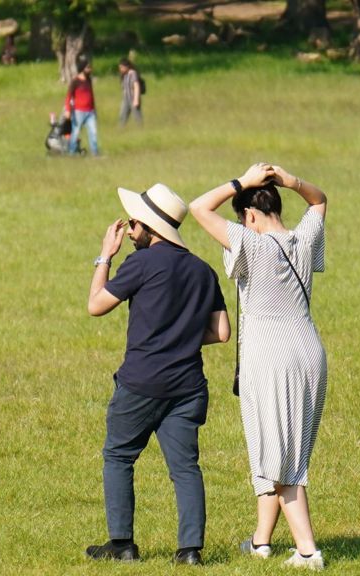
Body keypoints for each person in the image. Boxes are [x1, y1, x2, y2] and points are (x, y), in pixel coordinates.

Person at [188, 163, 328, 571]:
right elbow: (319, 200)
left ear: (248, 215)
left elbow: (198, 207)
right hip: (309, 352)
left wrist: (240, 183)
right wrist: (291, 181)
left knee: (282, 460)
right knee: (279, 452)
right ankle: (260, 543)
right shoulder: (302, 238)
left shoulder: (251, 243)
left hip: (270, 358)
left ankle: (307, 551)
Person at [85, 184, 230, 566]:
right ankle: (190, 551)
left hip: (141, 383)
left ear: (151, 228)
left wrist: (105, 256)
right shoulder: (202, 270)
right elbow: (222, 332)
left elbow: (96, 305)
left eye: (134, 223)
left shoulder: (141, 264)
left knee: (118, 455)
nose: (130, 230)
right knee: (185, 467)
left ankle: (122, 545)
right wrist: (180, 335)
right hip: (188, 387)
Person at [64, 58, 99, 156]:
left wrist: (94, 109)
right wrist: (68, 110)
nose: (90, 69)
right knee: (75, 133)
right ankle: (71, 152)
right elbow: (69, 96)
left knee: (93, 132)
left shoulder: (89, 80)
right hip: (78, 112)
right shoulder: (75, 81)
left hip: (90, 112)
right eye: (88, 67)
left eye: (90, 67)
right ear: (82, 68)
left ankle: (95, 153)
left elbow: (91, 95)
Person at [118, 58, 142, 127]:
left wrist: (136, 100)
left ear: (127, 67)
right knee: (122, 115)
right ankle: (120, 131)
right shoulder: (124, 74)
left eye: (122, 67)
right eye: (120, 67)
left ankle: (141, 130)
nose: (120, 69)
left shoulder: (133, 73)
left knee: (137, 117)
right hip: (126, 98)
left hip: (133, 98)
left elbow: (136, 86)